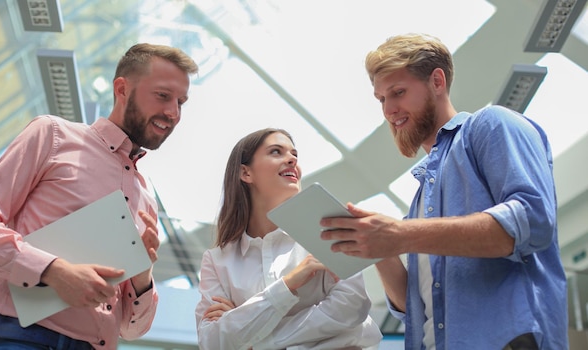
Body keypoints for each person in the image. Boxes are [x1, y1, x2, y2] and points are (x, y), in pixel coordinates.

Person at [320, 33, 568, 349]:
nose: (389, 110)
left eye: (398, 92)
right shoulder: (421, 198)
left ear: (437, 81)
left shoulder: (491, 125)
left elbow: (531, 221)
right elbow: (412, 307)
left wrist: (400, 233)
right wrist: (378, 248)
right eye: (382, 99)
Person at [0, 43, 199, 349]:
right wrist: (54, 271)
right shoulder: (52, 136)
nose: (173, 112)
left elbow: (130, 329)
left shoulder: (146, 200)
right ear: (122, 89)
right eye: (163, 96)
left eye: (181, 102)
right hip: (23, 338)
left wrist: (143, 277)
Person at [195, 128, 382, 350]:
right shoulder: (217, 261)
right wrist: (289, 284)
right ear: (246, 173)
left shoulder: (329, 229)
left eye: (294, 154)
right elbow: (212, 342)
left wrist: (253, 332)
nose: (292, 159)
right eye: (276, 152)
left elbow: (351, 306)